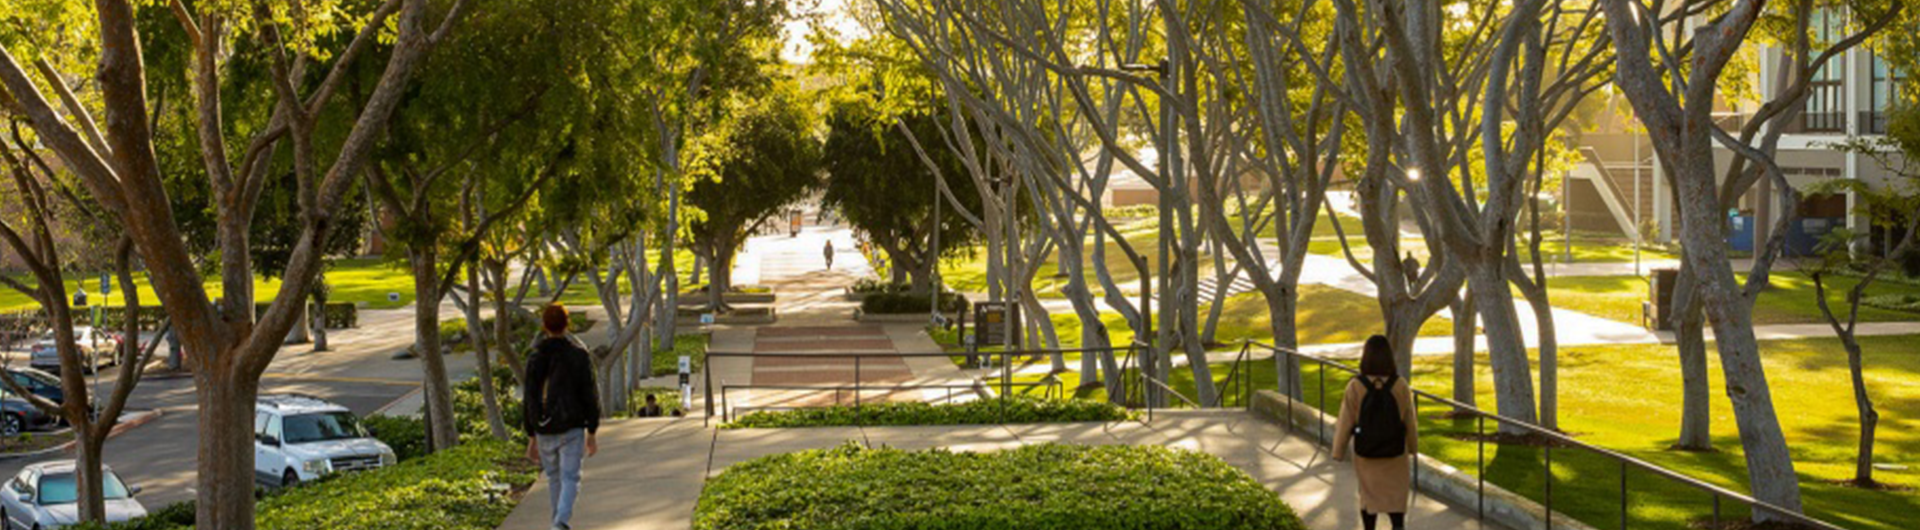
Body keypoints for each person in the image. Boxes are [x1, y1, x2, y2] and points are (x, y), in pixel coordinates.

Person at [523, 304, 601, 530]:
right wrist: (592, 431)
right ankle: (560, 522)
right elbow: (589, 393)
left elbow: (529, 397)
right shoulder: (578, 355)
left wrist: (531, 435)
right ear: (567, 324)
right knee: (570, 478)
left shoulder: (535, 357)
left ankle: (557, 522)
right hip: (572, 426)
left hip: (544, 427)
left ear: (544, 326)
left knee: (554, 478)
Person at [1332, 335, 1419, 530]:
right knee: (1396, 502)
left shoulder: (1355, 386)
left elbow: (1345, 421)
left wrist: (1338, 451)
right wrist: (1413, 447)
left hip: (1367, 454)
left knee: (1368, 498)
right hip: (1395, 453)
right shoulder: (1400, 385)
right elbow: (1409, 421)